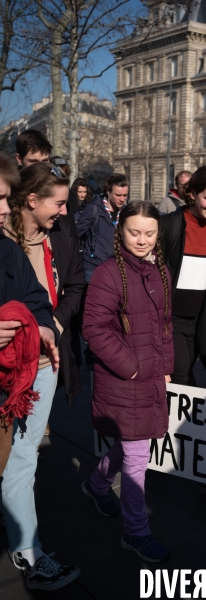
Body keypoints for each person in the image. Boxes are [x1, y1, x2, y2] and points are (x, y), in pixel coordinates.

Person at [2, 162, 84, 591]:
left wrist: (54, 324)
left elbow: (73, 286)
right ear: (30, 201)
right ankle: (29, 552)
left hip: (46, 360)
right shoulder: (5, 244)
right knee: (16, 456)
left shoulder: (61, 237)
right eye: (59, 202)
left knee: (24, 452)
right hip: (8, 364)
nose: (65, 211)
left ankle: (26, 545)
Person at [82, 201, 173, 562]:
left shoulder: (159, 270)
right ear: (120, 230)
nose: (142, 240)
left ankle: (96, 484)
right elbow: (94, 328)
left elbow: (164, 324)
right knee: (138, 457)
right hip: (125, 378)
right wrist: (132, 367)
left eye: (149, 233)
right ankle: (136, 532)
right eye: (135, 232)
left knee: (133, 444)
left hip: (149, 374)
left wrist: (165, 366)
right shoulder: (107, 273)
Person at [0, 153, 58, 477]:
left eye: (8, 199)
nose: (7, 209)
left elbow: (37, 300)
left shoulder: (6, 250)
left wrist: (45, 328)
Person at [161, 165, 206, 386]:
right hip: (171, 320)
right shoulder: (169, 224)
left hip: (199, 321)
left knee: (181, 377)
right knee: (184, 379)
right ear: (192, 193)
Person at [76, 173, 128, 284]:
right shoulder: (93, 209)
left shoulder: (125, 212)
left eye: (125, 195)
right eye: (118, 195)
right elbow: (76, 234)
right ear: (108, 192)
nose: (122, 199)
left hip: (114, 267)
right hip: (92, 266)